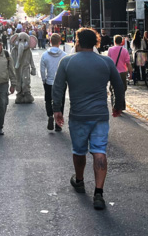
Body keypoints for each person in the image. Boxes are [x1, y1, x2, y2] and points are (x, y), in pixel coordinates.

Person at [52, 28, 125, 211]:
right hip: (100, 115)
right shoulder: (106, 62)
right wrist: (118, 105)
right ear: (96, 42)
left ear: (77, 41)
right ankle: (99, 193)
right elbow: (119, 85)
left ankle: (79, 180)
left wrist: (57, 110)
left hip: (78, 115)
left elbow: (58, 88)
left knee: (79, 150)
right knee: (99, 151)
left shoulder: (67, 62)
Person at [40, 33, 67, 132]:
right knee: (61, 101)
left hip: (49, 81)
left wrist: (44, 80)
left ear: (50, 41)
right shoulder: (64, 55)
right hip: (61, 82)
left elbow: (42, 70)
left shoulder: (45, 55)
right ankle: (58, 124)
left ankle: (50, 115)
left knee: (48, 100)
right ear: (60, 42)